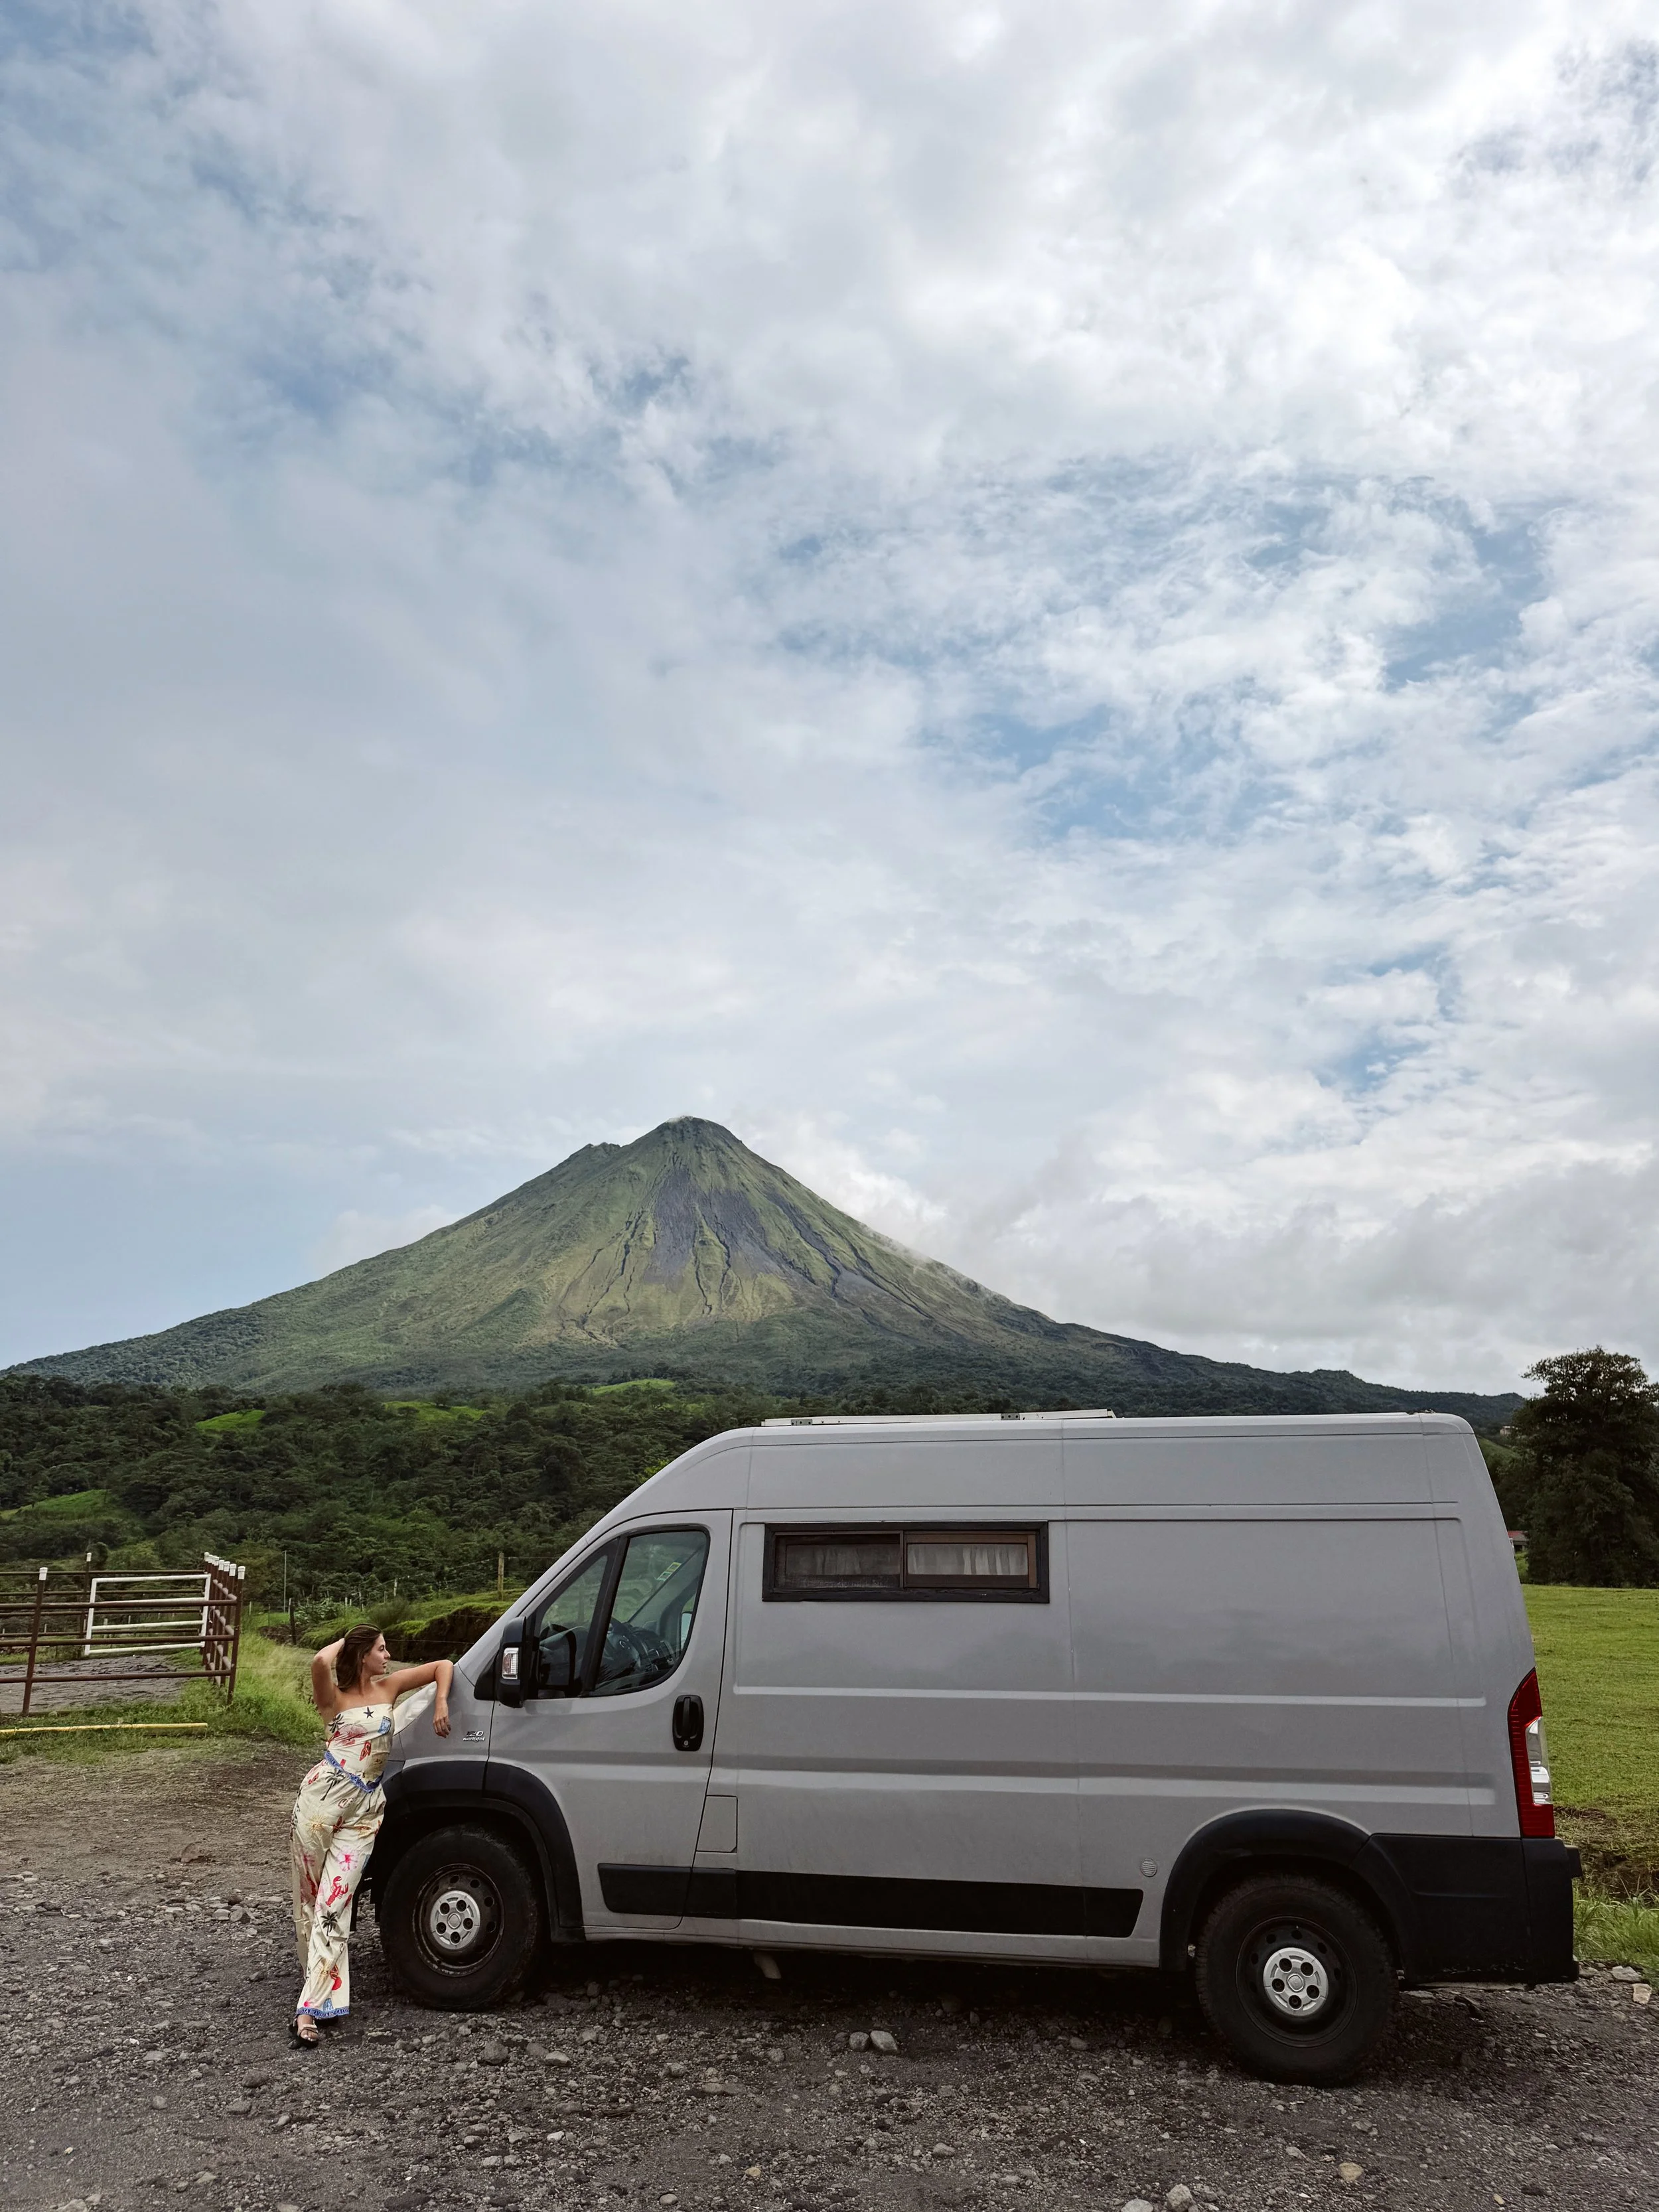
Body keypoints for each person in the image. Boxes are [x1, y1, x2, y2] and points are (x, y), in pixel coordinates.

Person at [289, 1624, 453, 2045]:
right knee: (310, 1901)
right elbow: (320, 1660)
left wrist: (441, 1703)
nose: (388, 1655)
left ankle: (308, 2009)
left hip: (364, 1812)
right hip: (319, 1805)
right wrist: (350, 1639)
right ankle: (317, 1993)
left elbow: (443, 1665)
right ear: (363, 1654)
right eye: (380, 1648)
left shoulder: (388, 1688)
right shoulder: (333, 1697)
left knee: (334, 1903)